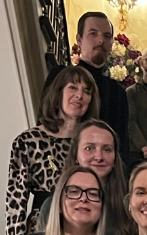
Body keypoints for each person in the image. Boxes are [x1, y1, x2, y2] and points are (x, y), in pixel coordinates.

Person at [0, 66, 100, 235]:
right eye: (73, 87)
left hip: (84, 230)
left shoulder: (93, 143)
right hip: (41, 231)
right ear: (58, 92)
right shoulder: (28, 141)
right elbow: (15, 203)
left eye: (86, 91)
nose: (79, 95)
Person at [44, 12, 131, 161]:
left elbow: (121, 147)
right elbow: (46, 123)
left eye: (107, 36)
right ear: (79, 39)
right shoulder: (60, 77)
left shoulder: (117, 92)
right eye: (93, 34)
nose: (101, 40)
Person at [36, 119, 134, 235]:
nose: (99, 157)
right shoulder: (51, 206)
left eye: (107, 149)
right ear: (75, 154)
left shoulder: (130, 203)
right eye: (89, 148)